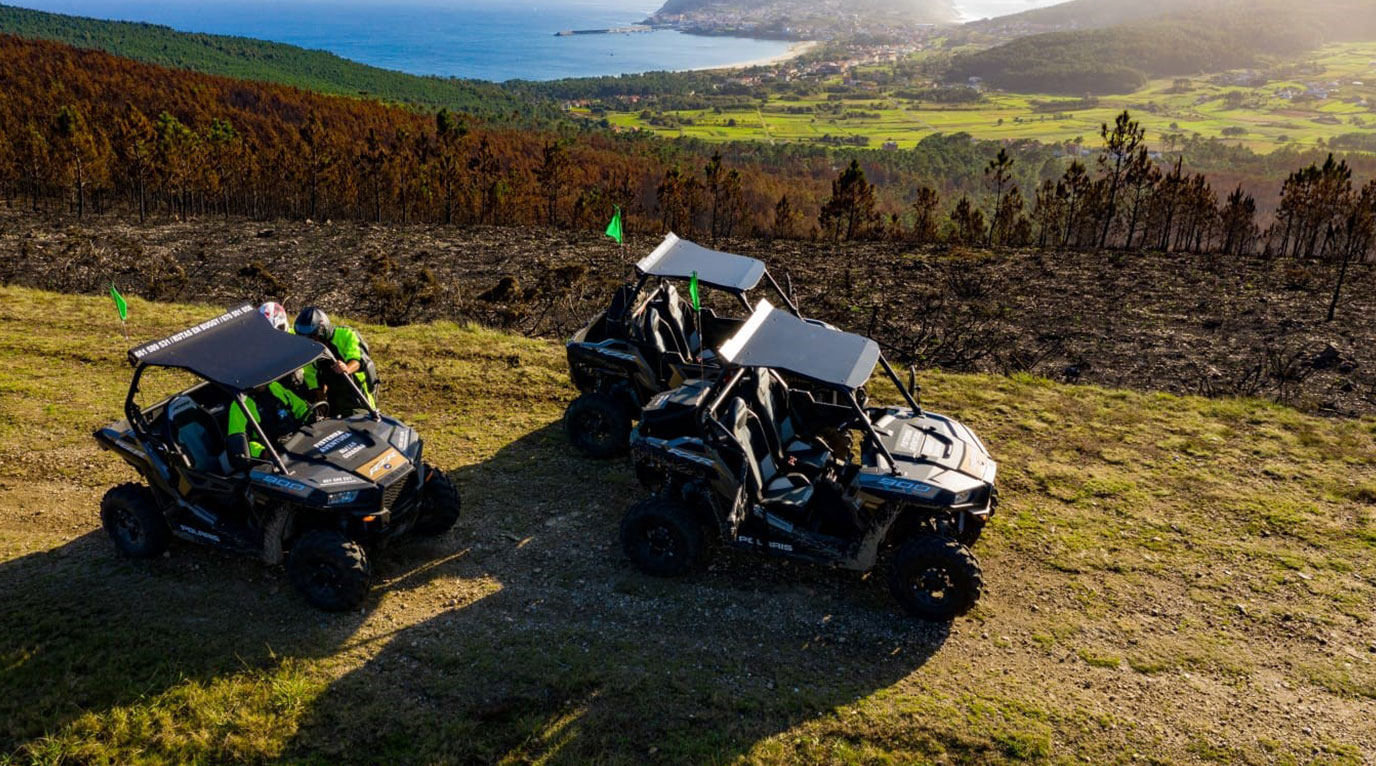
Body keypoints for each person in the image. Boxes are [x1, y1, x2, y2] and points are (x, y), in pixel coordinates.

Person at [293, 306, 377, 414]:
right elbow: (313, 378)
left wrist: (346, 368)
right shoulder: (312, 351)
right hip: (334, 400)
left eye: (313, 337)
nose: (311, 341)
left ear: (323, 330)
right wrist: (321, 402)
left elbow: (358, 359)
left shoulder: (346, 334)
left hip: (358, 396)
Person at [226, 380, 312, 461]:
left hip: (298, 439)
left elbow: (300, 408)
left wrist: (312, 417)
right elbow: (238, 444)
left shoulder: (274, 386)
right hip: (274, 454)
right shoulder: (239, 404)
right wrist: (263, 452)